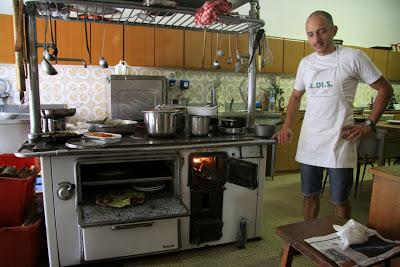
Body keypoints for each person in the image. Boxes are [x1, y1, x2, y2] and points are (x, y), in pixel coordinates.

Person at [274, 10, 393, 220]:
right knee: (309, 196)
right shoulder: (306, 63)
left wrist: (368, 124)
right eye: (310, 34)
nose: (316, 39)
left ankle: (340, 245)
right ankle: (309, 236)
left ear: (333, 30)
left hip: (340, 141)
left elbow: (385, 89)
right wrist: (287, 126)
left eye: (321, 32)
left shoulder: (354, 57)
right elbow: (294, 97)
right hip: (311, 140)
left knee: (340, 200)